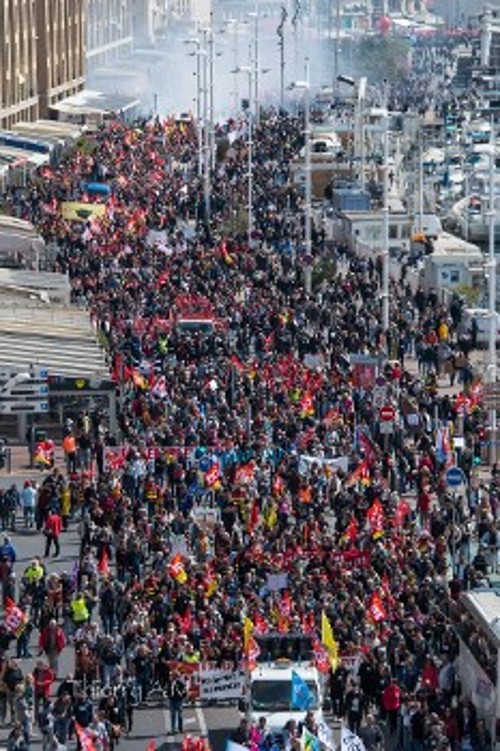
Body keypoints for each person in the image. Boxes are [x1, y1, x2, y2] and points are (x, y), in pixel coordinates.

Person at [168, 671, 187, 735]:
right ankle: (173, 729)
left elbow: (184, 691)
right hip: (172, 700)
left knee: (180, 715)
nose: (170, 676)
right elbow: (168, 690)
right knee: (173, 715)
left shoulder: (180, 683)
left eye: (172, 675)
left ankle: (180, 728)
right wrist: (168, 695)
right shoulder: (170, 683)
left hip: (178, 700)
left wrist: (183, 696)